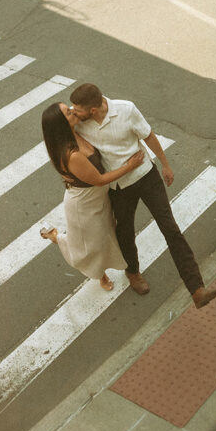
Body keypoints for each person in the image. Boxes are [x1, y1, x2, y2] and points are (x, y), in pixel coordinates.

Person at [69, 84, 216, 309]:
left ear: (92, 110)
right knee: (125, 232)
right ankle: (133, 272)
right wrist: (70, 125)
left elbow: (148, 136)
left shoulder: (126, 110)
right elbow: (61, 137)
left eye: (77, 109)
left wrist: (166, 165)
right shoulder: (79, 124)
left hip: (146, 176)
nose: (74, 112)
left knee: (170, 228)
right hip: (118, 186)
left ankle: (196, 288)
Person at [40, 102, 145, 290]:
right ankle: (98, 274)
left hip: (99, 199)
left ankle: (56, 236)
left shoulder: (77, 131)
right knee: (90, 246)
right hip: (84, 206)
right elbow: (99, 180)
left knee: (105, 235)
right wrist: (129, 166)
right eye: (67, 112)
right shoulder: (71, 155)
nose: (72, 110)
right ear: (61, 123)